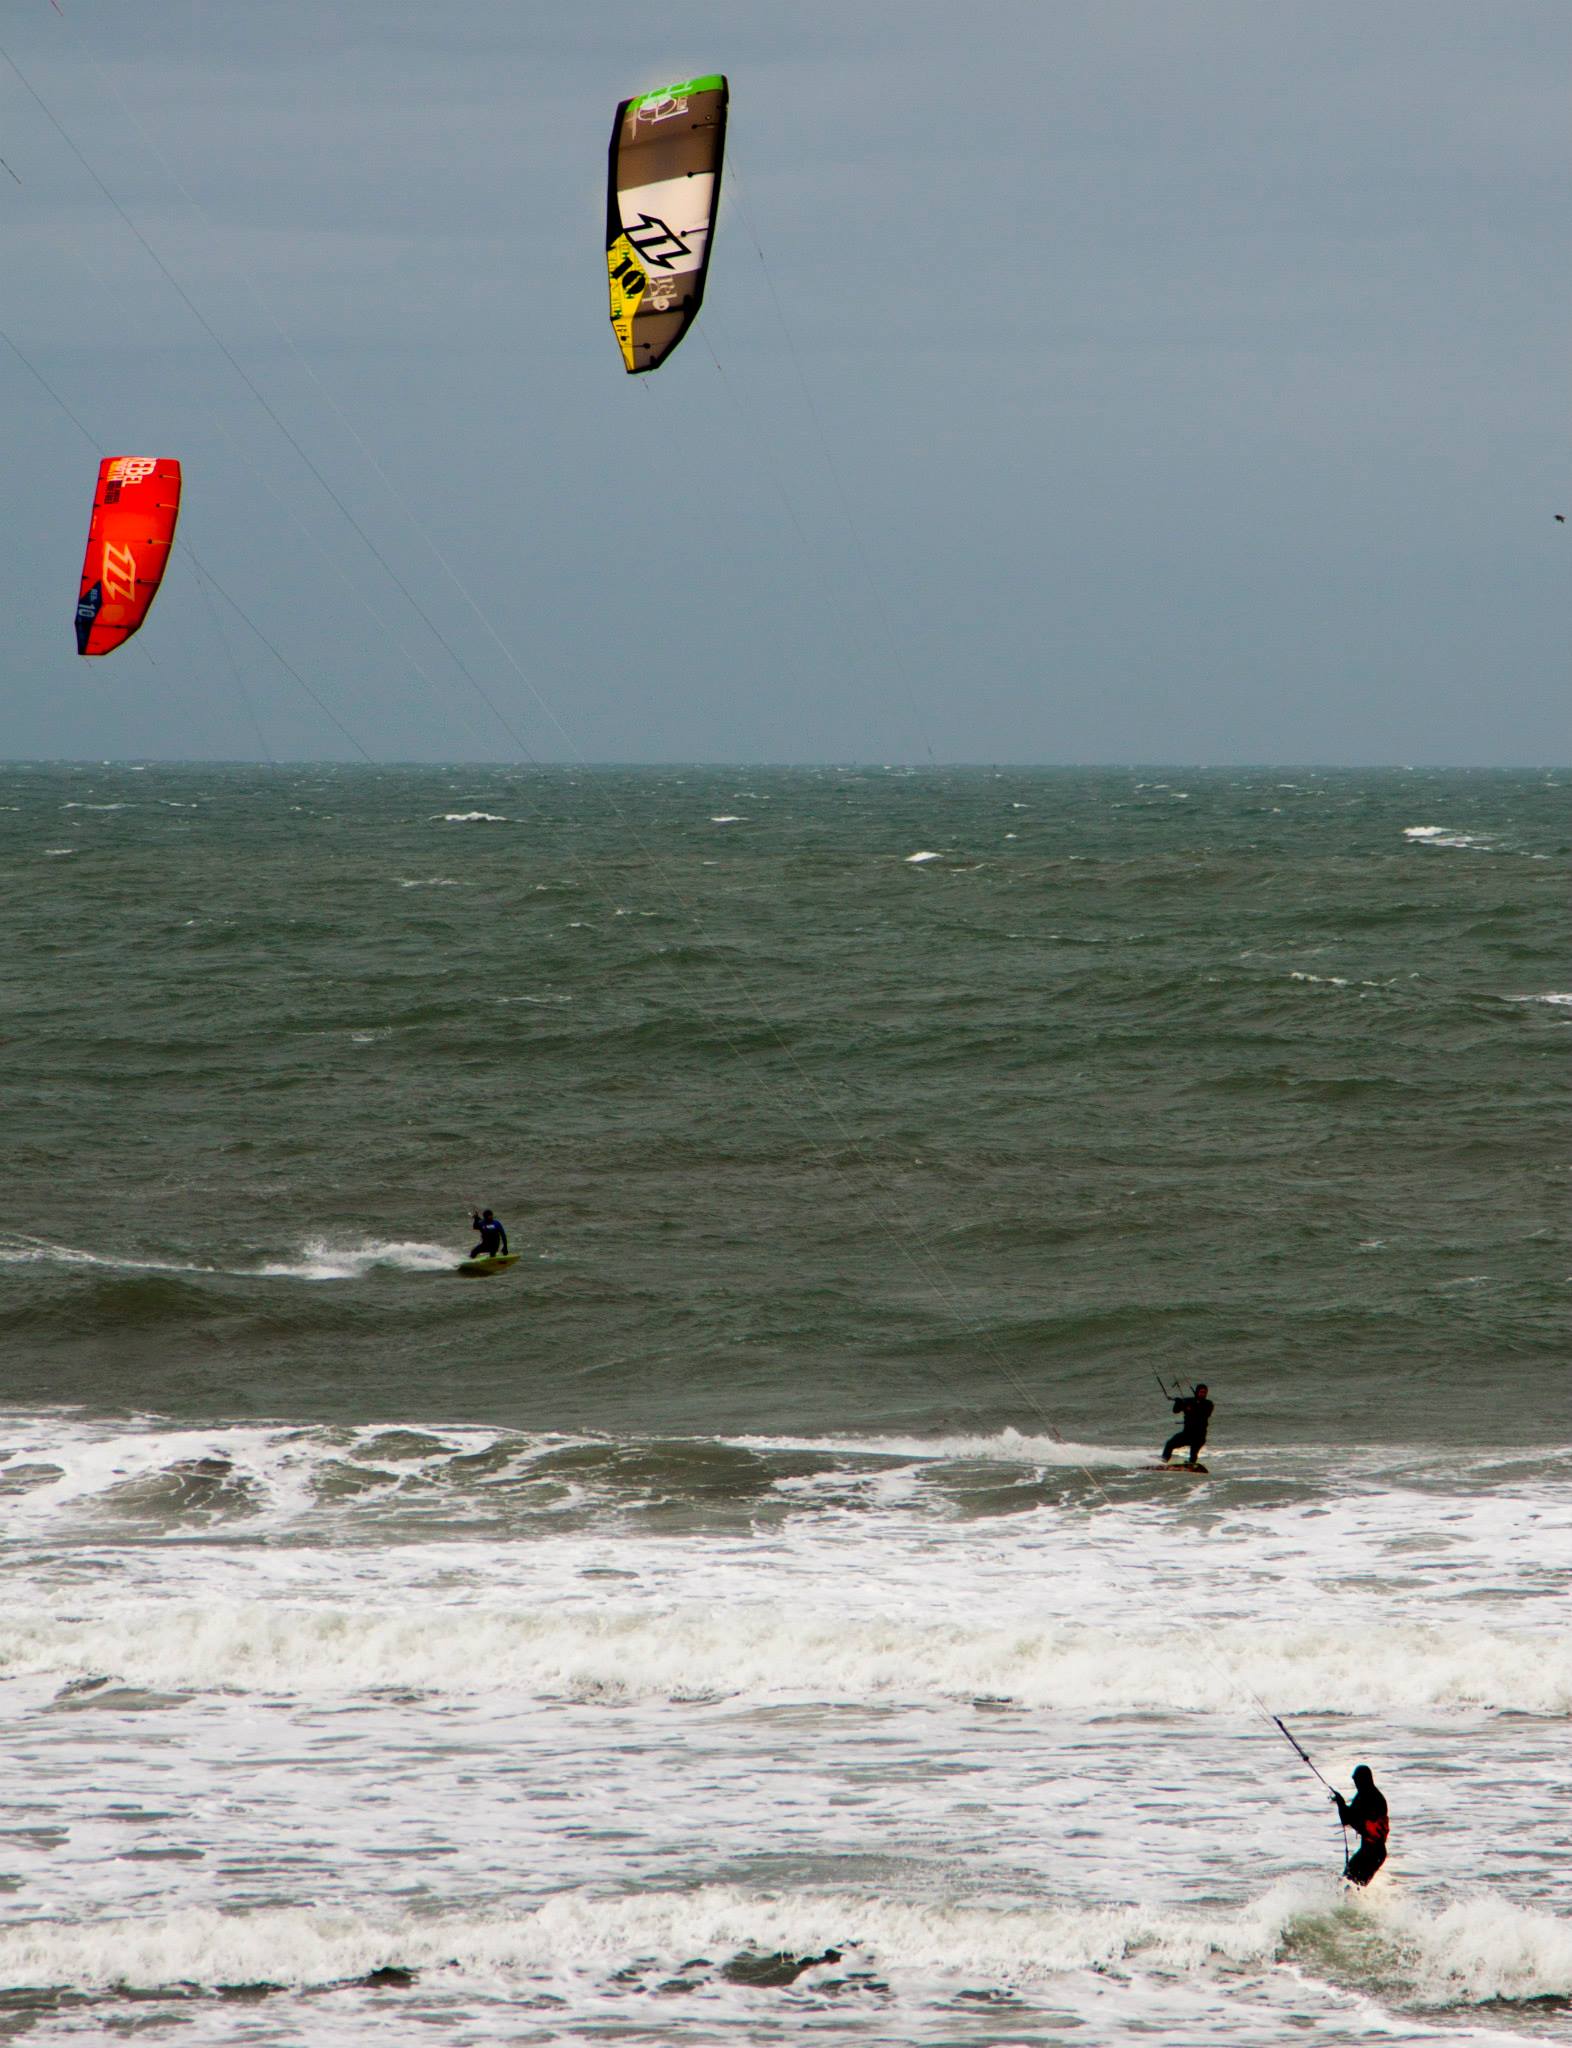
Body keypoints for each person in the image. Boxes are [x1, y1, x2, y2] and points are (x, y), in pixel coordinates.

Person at [1332, 1765, 1389, 1885]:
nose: (1356, 1783)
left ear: (1365, 1779)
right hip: (1368, 1851)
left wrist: (1341, 1804)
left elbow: (1351, 1818)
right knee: (1347, 1883)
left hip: (1373, 1853)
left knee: (1350, 1884)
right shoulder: (1362, 1795)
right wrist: (1340, 1803)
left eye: (1357, 1780)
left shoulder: (1374, 1798)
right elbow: (1348, 1818)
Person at [1161, 1382, 1213, 1468]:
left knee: (1194, 1452)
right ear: (1197, 1392)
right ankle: (1163, 1461)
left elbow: (1205, 1413)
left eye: (1204, 1392)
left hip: (1199, 1435)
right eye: (1201, 1392)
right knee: (1170, 1444)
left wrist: (1191, 1407)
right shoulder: (1188, 1401)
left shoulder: (1208, 1404)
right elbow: (1176, 1410)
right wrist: (1178, 1402)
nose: (1202, 1394)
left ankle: (1191, 1464)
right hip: (1187, 1434)